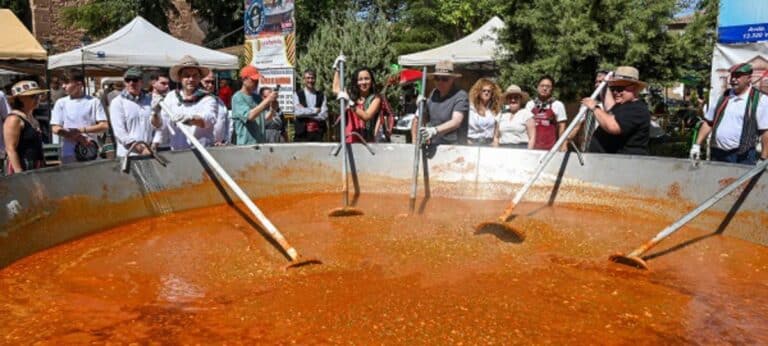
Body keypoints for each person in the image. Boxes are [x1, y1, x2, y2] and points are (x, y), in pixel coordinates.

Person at [691, 63, 768, 165]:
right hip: (718, 152)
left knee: (742, 181)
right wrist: (697, 145)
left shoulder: (760, 100)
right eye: (732, 75)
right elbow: (709, 122)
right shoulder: (722, 96)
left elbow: (765, 131)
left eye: (738, 76)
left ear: (749, 78)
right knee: (715, 180)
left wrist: (763, 158)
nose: (733, 79)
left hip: (743, 155)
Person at [582, 66, 650, 155]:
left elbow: (613, 126)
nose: (616, 93)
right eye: (613, 88)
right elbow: (609, 106)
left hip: (623, 164)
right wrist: (604, 86)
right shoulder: (622, 105)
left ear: (634, 88)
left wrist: (595, 108)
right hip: (609, 162)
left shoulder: (637, 109)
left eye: (620, 89)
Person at [155, 55, 218, 150]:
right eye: (187, 76)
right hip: (176, 152)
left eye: (195, 76)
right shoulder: (171, 97)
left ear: (199, 77)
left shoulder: (208, 98)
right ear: (180, 78)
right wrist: (155, 114)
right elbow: (162, 124)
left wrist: (190, 119)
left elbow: (208, 119)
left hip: (202, 152)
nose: (191, 79)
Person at [51, 70, 109, 164]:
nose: (63, 86)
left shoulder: (94, 101)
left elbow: (104, 126)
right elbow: (55, 128)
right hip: (68, 153)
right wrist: (76, 137)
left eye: (66, 83)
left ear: (79, 84)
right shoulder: (61, 103)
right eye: (62, 83)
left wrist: (81, 130)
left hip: (90, 151)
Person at [412, 60, 469, 151]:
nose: (440, 82)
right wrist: (421, 107)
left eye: (444, 79)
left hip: (454, 147)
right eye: (437, 78)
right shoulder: (434, 93)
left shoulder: (460, 96)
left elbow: (456, 122)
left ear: (452, 79)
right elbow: (426, 119)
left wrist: (434, 130)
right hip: (434, 145)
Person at [109, 67, 161, 157]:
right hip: (128, 155)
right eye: (128, 80)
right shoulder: (117, 102)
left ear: (141, 82)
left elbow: (157, 125)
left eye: (135, 80)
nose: (131, 83)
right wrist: (141, 149)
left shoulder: (150, 100)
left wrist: (156, 114)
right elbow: (120, 132)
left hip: (149, 152)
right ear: (124, 82)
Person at [332, 57, 381, 143]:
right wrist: (337, 69)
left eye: (367, 79)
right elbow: (336, 89)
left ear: (371, 81)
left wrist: (350, 104)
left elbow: (366, 116)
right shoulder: (351, 94)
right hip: (349, 139)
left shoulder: (376, 99)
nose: (364, 82)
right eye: (360, 79)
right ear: (356, 81)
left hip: (366, 142)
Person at [3, 80, 46, 174]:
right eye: (33, 96)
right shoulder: (14, 119)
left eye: (38, 95)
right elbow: (10, 149)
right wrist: (20, 174)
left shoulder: (32, 118)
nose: (38, 98)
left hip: (36, 167)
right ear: (21, 98)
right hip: (22, 168)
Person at [231, 65, 278, 145]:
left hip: (260, 143)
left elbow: (264, 119)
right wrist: (267, 100)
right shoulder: (237, 97)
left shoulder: (257, 97)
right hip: (246, 145)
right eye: (254, 80)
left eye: (257, 80)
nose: (256, 82)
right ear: (244, 80)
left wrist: (272, 108)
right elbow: (250, 116)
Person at [526, 75, 568, 150]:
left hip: (551, 149)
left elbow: (562, 127)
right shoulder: (530, 105)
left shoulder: (558, 105)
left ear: (552, 89)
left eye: (548, 86)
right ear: (537, 87)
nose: (544, 88)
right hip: (532, 148)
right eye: (542, 86)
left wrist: (563, 145)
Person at [494, 84, 536, 149]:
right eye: (510, 98)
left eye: (516, 97)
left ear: (520, 99)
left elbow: (532, 138)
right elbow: (496, 137)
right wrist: (495, 151)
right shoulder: (501, 115)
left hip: (521, 149)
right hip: (503, 150)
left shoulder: (527, 114)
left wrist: (528, 153)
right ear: (507, 100)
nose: (513, 100)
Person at [293, 69, 328, 142]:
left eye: (312, 78)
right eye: (308, 78)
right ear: (304, 80)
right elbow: (297, 112)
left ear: (315, 79)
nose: (310, 80)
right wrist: (315, 111)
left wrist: (304, 111)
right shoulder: (297, 94)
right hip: (301, 135)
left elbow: (324, 115)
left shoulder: (321, 95)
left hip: (318, 134)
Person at [467, 78, 501, 145]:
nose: (486, 93)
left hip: (489, 144)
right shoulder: (470, 108)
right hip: (471, 142)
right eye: (484, 91)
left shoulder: (494, 110)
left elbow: (497, 129)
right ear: (478, 92)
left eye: (489, 91)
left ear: (492, 94)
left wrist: (495, 142)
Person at [202, 71, 231, 146]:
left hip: (220, 147)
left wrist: (225, 140)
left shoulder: (219, 101)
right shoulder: (193, 101)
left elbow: (227, 123)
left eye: (213, 82)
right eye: (207, 82)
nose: (210, 85)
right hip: (202, 146)